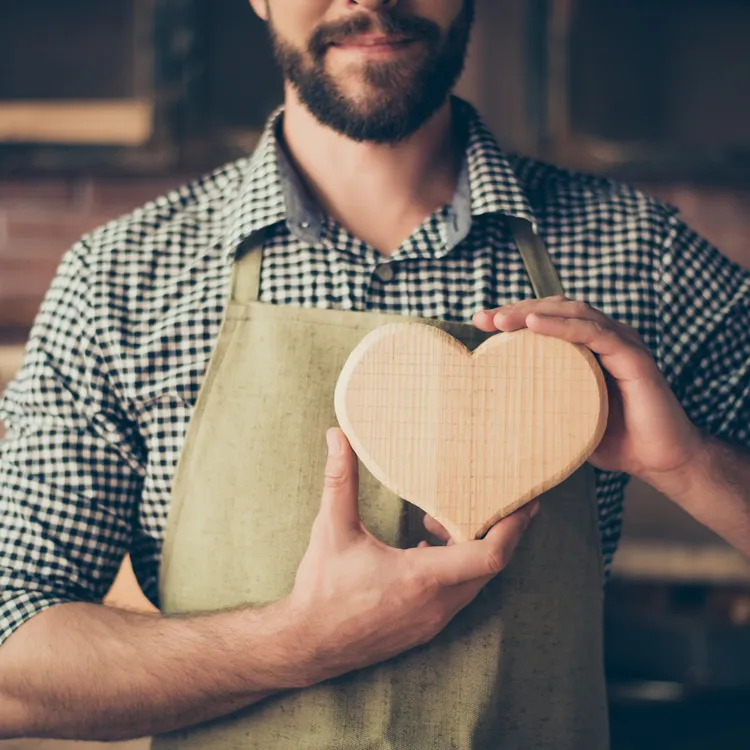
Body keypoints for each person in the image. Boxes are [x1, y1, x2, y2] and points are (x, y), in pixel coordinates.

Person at [1, 0, 748, 747]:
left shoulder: (643, 257)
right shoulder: (120, 282)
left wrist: (686, 464)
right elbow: (13, 664)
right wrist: (293, 642)